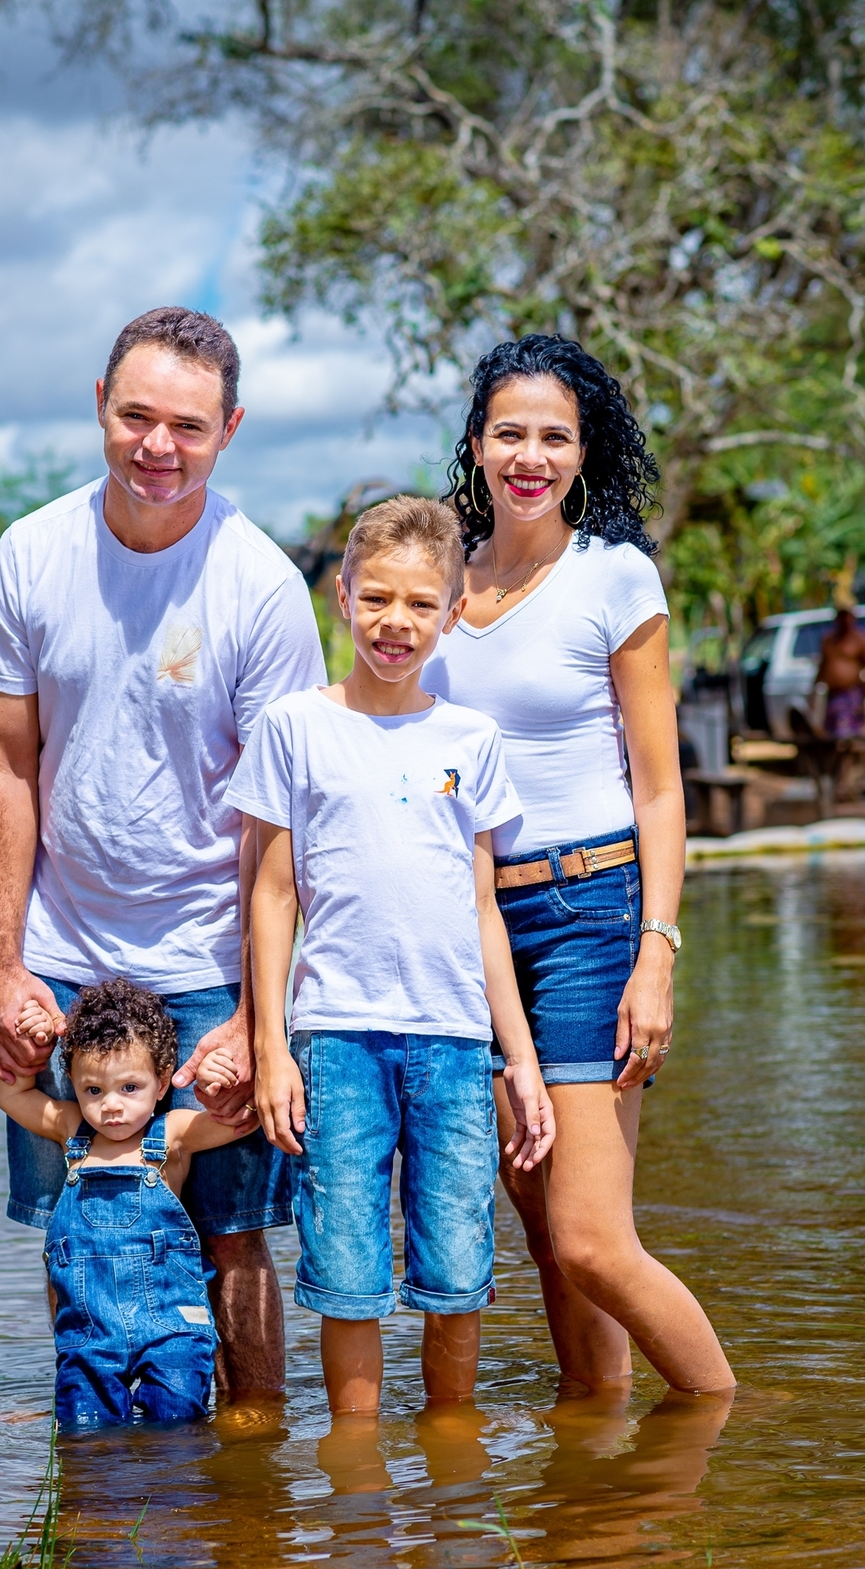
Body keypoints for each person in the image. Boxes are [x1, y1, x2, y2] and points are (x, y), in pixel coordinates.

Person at [0, 307, 326, 1394]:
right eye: (136, 417)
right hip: (65, 952)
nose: (157, 447)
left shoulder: (261, 583)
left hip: (213, 956)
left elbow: (287, 815)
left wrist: (257, 1019)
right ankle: (100, 1463)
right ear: (98, 408)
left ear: (229, 430)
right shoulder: (32, 552)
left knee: (233, 1241)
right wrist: (3, 966)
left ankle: (252, 1487)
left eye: (187, 425)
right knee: (78, 1230)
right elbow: (2, 764)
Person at [424, 334, 735, 1394]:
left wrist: (659, 950)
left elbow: (660, 787)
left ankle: (727, 1420)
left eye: (555, 436)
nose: (530, 455)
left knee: (594, 1237)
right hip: (472, 929)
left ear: (584, 450)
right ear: (477, 443)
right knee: (543, 1227)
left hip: (590, 914)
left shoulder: (614, 574)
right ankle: (594, 1441)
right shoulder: (440, 584)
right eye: (510, 432)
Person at [228, 495, 555, 1417]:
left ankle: (454, 1468)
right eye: (377, 599)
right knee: (345, 1269)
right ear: (343, 598)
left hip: (454, 1044)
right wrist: (271, 1047)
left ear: (452, 611)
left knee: (457, 1268)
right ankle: (357, 1476)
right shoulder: (296, 727)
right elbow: (273, 894)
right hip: (335, 1041)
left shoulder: (471, 739)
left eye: (420, 604)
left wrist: (520, 1063)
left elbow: (483, 909)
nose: (395, 623)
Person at [0, 979, 260, 1429]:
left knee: (177, 1428)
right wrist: (33, 1047)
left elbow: (242, 1121)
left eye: (130, 1087)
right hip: (89, 1334)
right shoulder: (71, 1131)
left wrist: (219, 1082)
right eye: (93, 1090)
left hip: (172, 1327)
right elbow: (10, 1095)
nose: (111, 1106)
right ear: (75, 1086)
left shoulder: (173, 1132)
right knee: (85, 1432)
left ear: (161, 1082)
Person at [816, 607, 865, 738]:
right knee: (831, 736)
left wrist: (864, 695)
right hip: (832, 696)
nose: (844, 620)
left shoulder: (860, 640)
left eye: (847, 616)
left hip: (851, 695)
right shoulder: (829, 640)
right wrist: (814, 690)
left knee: (848, 735)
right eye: (841, 616)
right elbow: (823, 665)